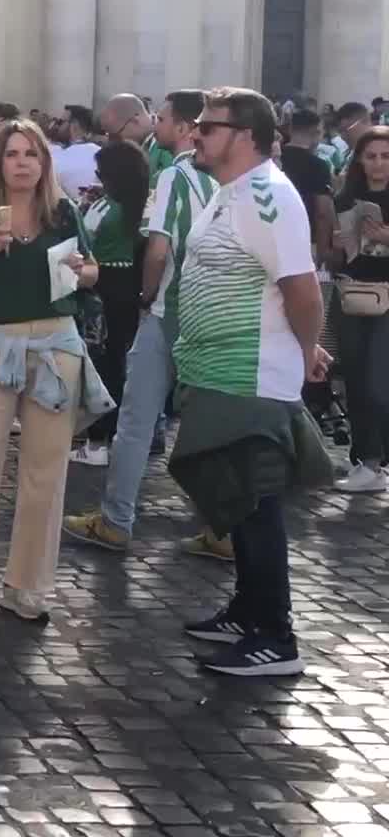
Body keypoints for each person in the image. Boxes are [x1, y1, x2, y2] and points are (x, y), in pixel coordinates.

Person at [168, 88, 329, 676]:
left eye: (209, 127)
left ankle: (275, 637)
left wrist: (306, 350)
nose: (195, 135)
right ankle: (247, 610)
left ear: (246, 136)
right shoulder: (225, 192)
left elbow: (304, 291)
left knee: (258, 502)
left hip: (252, 376)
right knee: (237, 499)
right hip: (219, 375)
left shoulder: (269, 197)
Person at [0, 118, 107, 621]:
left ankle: (26, 586)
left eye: (31, 154)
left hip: (57, 345)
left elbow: (90, 271)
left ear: (44, 162)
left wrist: (85, 271)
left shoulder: (64, 213)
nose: (22, 163)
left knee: (44, 470)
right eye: (12, 154)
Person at [64, 90, 227, 555]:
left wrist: (146, 294)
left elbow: (158, 248)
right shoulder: (224, 180)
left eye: (164, 118)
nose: (156, 125)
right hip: (210, 312)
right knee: (205, 424)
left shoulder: (177, 176)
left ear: (182, 126)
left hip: (170, 310)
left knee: (136, 420)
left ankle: (116, 519)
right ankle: (222, 526)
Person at [70, 141, 152, 467]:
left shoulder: (107, 207)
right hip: (129, 286)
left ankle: (97, 439)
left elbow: (84, 241)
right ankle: (111, 435)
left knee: (100, 364)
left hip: (101, 286)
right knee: (117, 362)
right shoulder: (143, 203)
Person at [328, 126, 389, 493]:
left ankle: (378, 458)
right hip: (352, 294)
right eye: (371, 156)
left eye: (385, 156)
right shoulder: (346, 198)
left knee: (379, 383)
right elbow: (338, 258)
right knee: (354, 380)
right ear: (360, 160)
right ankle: (366, 461)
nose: (378, 163)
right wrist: (339, 244)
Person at [279, 108, 338, 265]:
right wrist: (322, 252)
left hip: (274, 237)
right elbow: (323, 212)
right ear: (317, 133)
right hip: (305, 240)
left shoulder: (273, 159)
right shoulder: (318, 166)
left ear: (290, 129)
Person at [101, 93, 172, 174]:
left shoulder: (168, 140)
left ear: (135, 120)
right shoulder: (138, 145)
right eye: (108, 136)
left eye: (115, 135)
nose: (113, 142)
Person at [52, 105, 102, 201]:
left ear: (75, 125)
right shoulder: (103, 153)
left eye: (61, 122)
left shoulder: (56, 158)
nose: (57, 126)